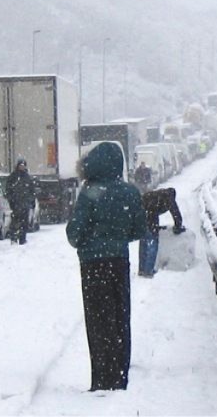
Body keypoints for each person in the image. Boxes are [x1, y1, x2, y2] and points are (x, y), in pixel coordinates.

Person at [66, 142, 146, 392]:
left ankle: (101, 377)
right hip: (119, 262)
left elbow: (74, 233)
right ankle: (119, 375)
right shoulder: (130, 192)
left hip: (92, 265)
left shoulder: (89, 192)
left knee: (98, 320)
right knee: (120, 318)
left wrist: (90, 239)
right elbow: (139, 230)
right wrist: (117, 237)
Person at [138, 187, 186, 278]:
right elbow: (175, 212)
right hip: (150, 214)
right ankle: (148, 271)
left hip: (141, 213)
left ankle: (142, 269)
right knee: (153, 241)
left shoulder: (157, 194)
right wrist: (178, 226)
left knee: (143, 241)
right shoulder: (168, 196)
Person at [5, 157, 36, 245]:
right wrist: (11, 199)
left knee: (24, 223)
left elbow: (31, 191)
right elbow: (8, 189)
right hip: (15, 204)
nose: (22, 167)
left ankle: (22, 238)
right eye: (20, 165)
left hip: (25, 205)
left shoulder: (27, 177)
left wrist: (31, 201)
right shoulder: (13, 177)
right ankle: (13, 238)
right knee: (15, 222)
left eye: (23, 166)